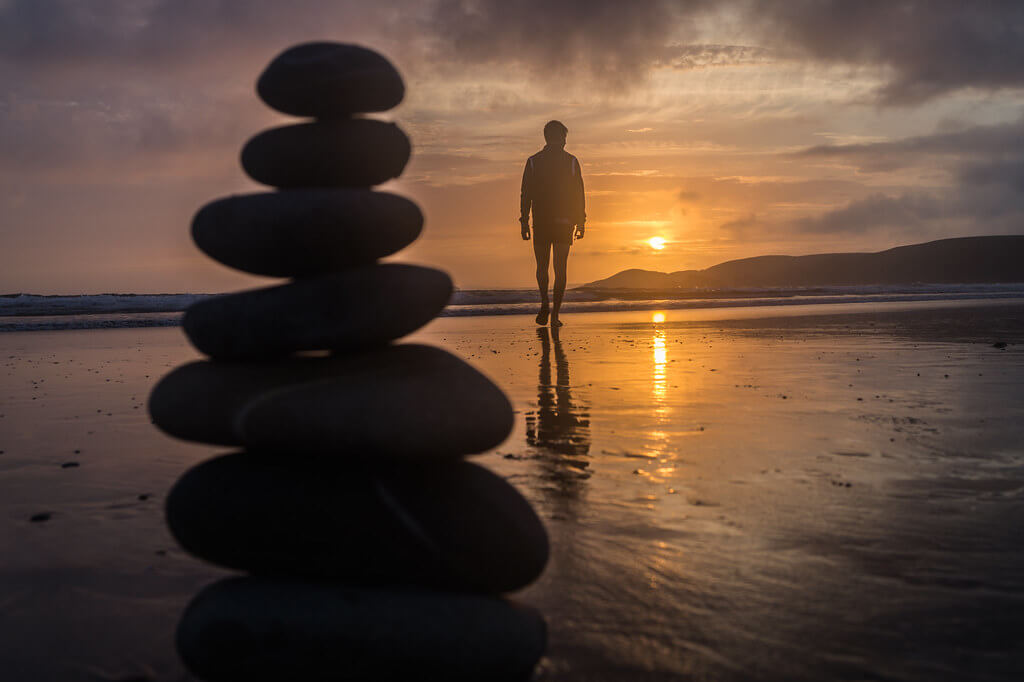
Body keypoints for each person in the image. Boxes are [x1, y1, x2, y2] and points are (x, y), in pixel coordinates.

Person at [520, 120, 586, 327]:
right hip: (563, 223)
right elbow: (579, 194)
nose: (565, 141)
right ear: (561, 138)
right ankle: (555, 314)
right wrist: (581, 221)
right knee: (560, 268)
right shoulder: (571, 161)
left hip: (541, 222)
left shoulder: (533, 161)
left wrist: (524, 221)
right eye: (564, 137)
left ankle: (544, 303)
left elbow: (525, 194)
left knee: (542, 267)